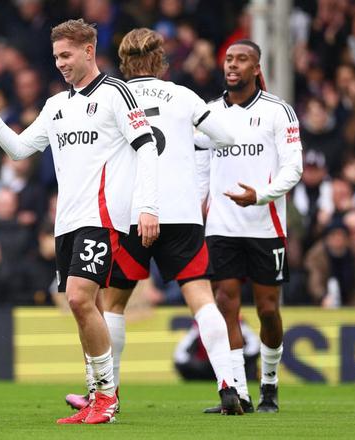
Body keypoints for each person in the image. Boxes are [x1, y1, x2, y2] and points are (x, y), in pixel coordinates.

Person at [0, 19, 159, 424]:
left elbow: (147, 147)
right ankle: (96, 394)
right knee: (89, 307)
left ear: (89, 50)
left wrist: (148, 206)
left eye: (66, 55)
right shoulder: (56, 106)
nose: (61, 63)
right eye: (56, 57)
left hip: (102, 216)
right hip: (67, 221)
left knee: (78, 299)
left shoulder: (116, 93)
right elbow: (19, 150)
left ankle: (107, 398)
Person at [64, 27, 243, 415]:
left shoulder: (111, 97)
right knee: (202, 299)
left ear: (123, 62)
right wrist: (190, 141)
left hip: (130, 213)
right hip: (181, 212)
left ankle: (108, 395)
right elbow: (226, 136)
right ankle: (228, 385)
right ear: (161, 60)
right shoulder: (183, 96)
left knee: (113, 304)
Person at [197, 40, 303, 413]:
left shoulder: (278, 111)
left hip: (264, 224)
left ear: (256, 68)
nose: (233, 65)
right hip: (221, 226)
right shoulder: (209, 113)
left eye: (242, 60)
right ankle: (238, 392)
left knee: (268, 309)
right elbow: (201, 168)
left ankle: (269, 386)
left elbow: (294, 167)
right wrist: (196, 212)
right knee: (225, 303)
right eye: (228, 59)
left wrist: (260, 195)